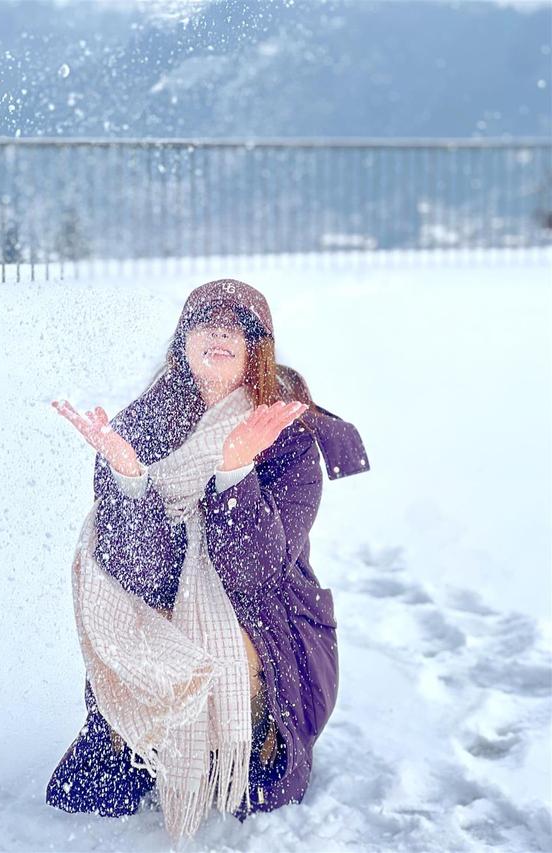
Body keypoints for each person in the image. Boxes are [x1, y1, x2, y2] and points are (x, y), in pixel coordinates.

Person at [45, 278, 371, 838]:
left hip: (267, 628)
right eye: (204, 321)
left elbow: (256, 573)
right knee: (147, 641)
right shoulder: (143, 425)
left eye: (236, 324)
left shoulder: (288, 433)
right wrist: (128, 482)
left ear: (257, 347)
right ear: (183, 342)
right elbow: (143, 576)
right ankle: (148, 745)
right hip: (166, 606)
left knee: (215, 647)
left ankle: (240, 749)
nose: (219, 331)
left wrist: (236, 473)